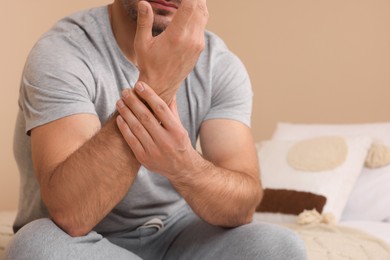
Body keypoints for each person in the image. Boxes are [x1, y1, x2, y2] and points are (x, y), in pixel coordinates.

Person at [6, 0, 307, 259]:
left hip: (178, 236)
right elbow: (72, 213)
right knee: (35, 249)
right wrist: (155, 85)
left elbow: (241, 207)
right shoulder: (62, 51)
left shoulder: (219, 64)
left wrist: (184, 166)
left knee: (281, 247)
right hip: (80, 241)